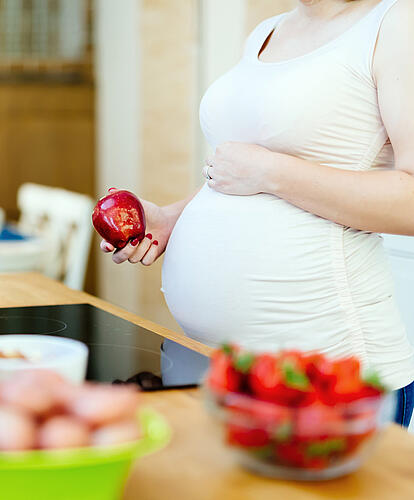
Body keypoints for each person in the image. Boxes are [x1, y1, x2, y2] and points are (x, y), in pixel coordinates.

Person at [101, 0, 414, 427]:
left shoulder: (396, 23)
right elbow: (235, 170)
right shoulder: (269, 31)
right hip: (218, 366)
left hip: (328, 382)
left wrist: (273, 172)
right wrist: (172, 217)